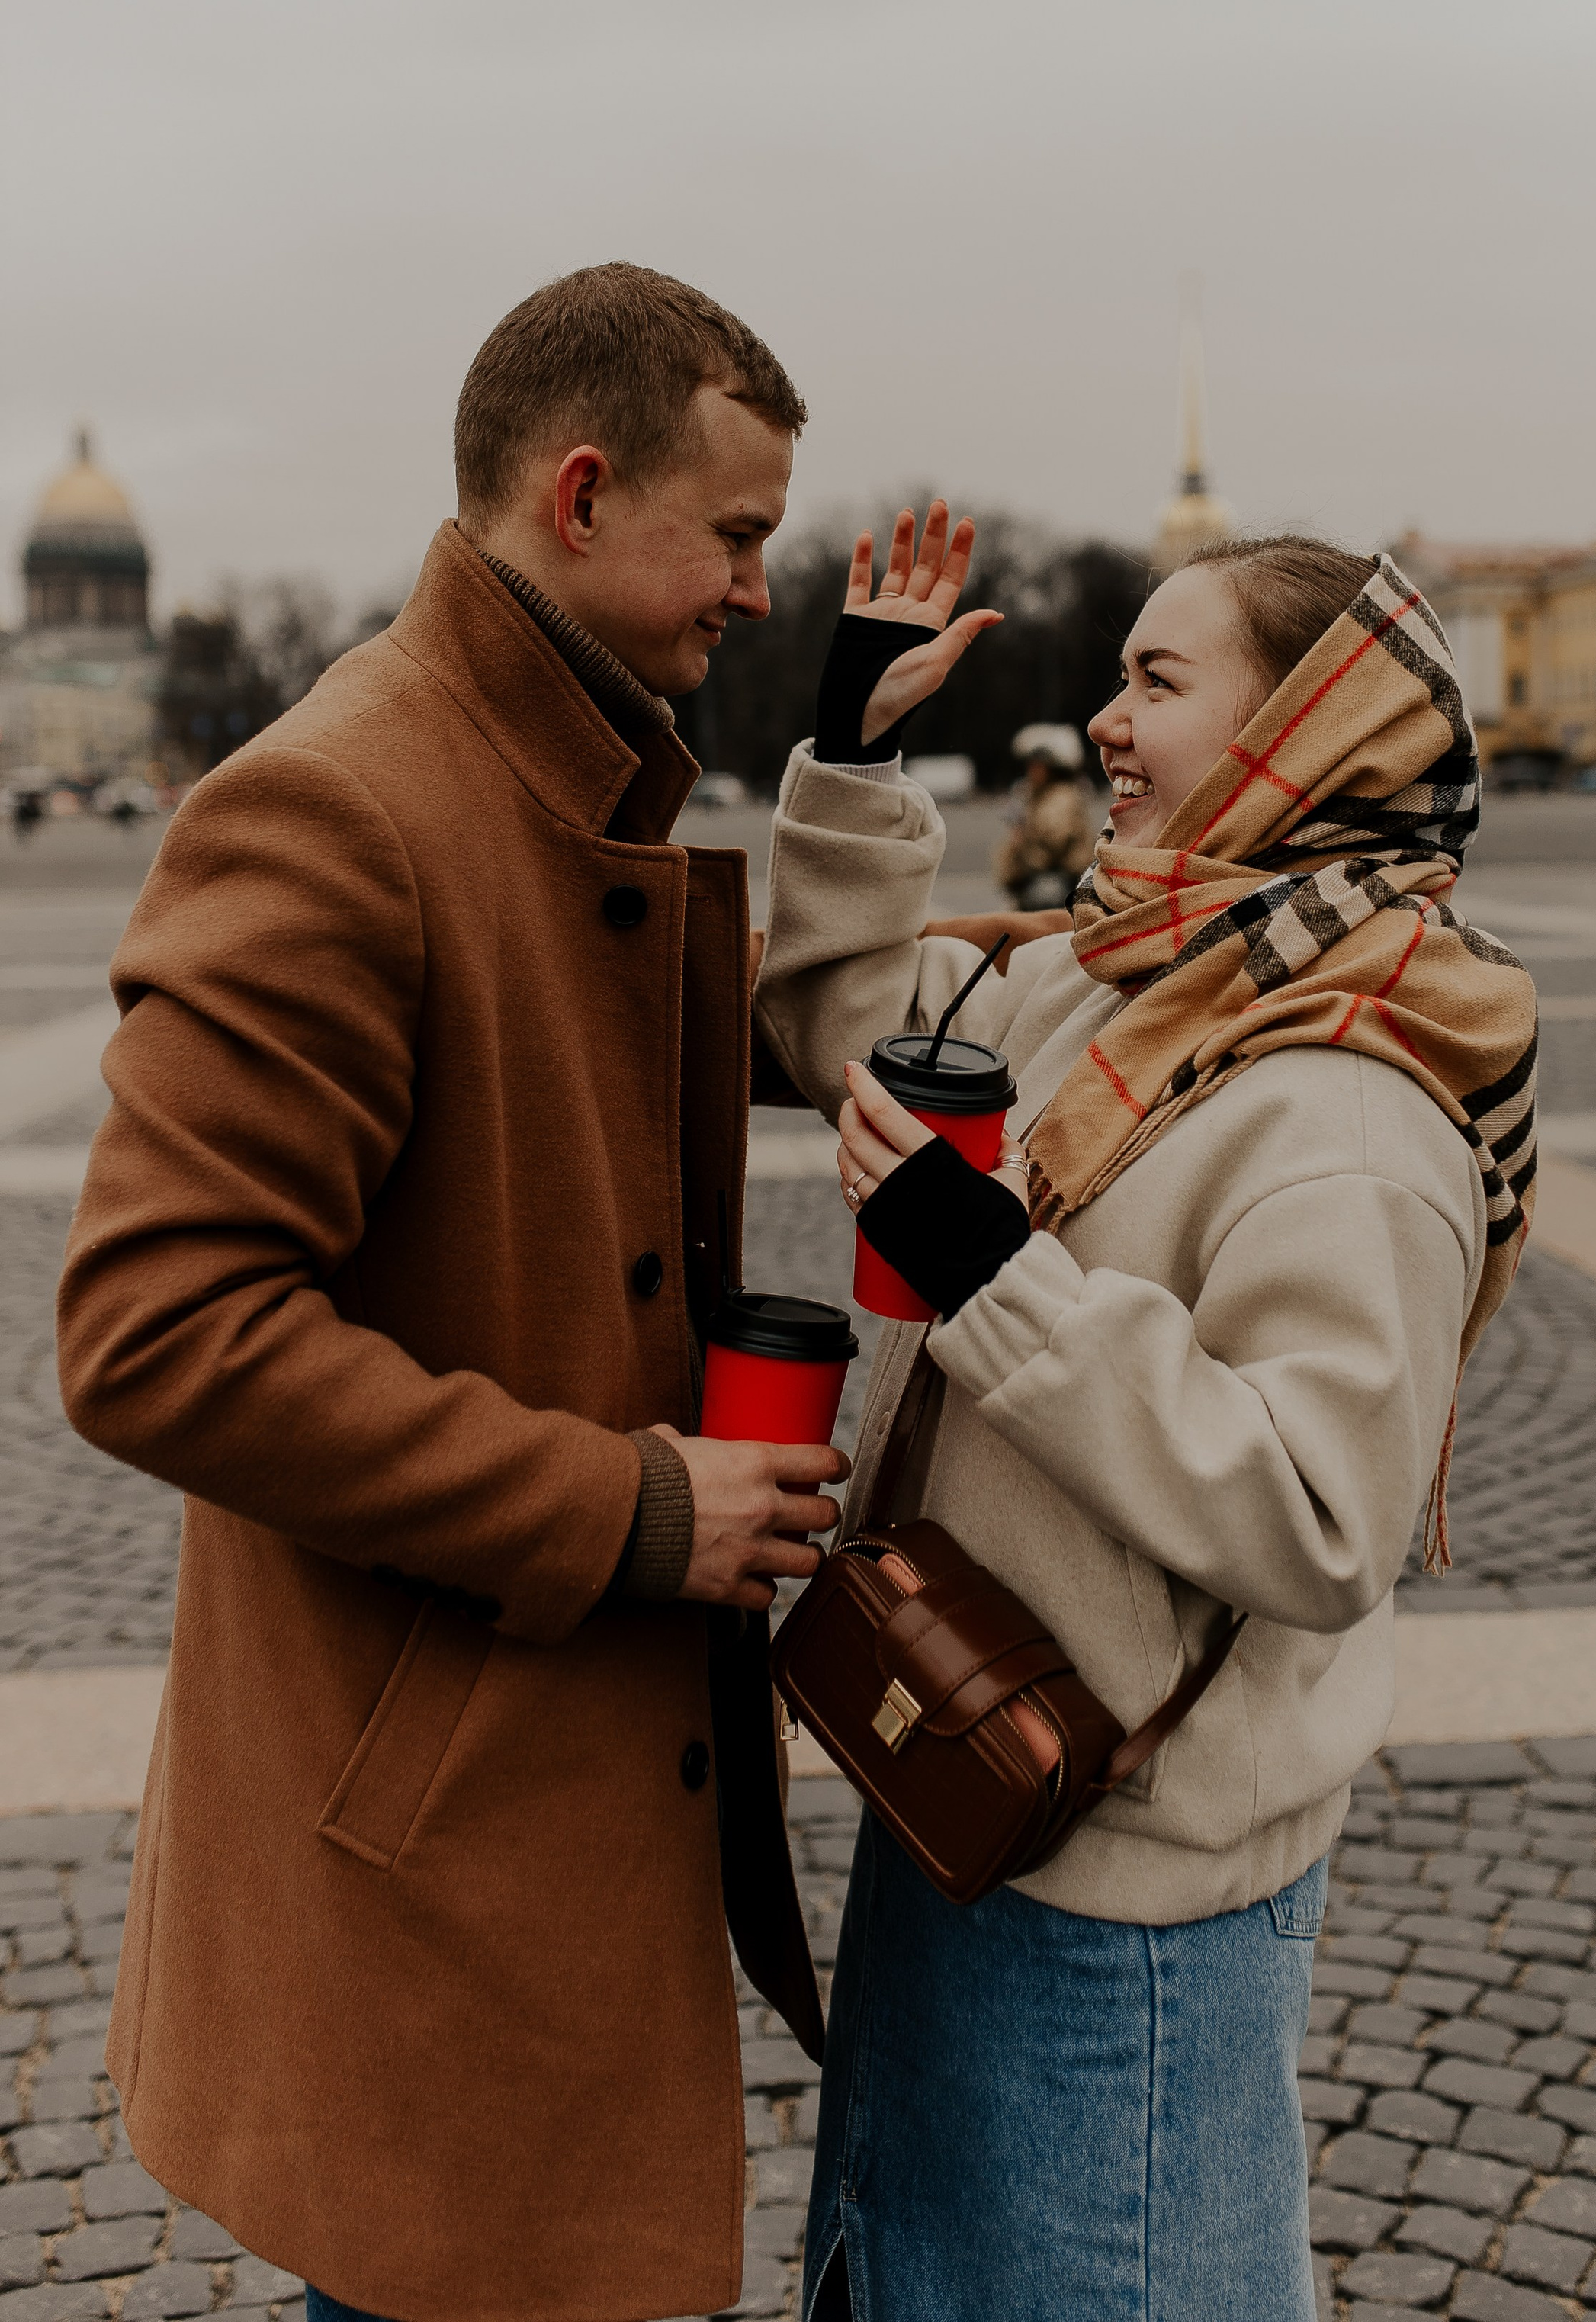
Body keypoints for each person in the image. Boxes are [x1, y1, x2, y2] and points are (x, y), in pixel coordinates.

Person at [58, 263, 851, 2322]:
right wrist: (632, 1505)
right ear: (580, 496)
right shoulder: (345, 799)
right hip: (444, 1835)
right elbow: (155, 1335)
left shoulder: (547, 771)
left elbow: (681, 1047)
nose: (758, 585)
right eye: (734, 531)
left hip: (511, 1802)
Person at [756, 514, 1539, 2322]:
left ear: (1297, 734)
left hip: (1132, 1896)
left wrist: (992, 1274)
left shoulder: (1350, 1095)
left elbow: (1322, 1513)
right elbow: (853, 1026)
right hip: (964, 1772)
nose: (1106, 719)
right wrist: (855, 755)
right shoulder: (1126, 973)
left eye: (1156, 679)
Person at [992, 720, 1097, 908]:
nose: (1031, 771)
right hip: (1041, 881)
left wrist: (1024, 842)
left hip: (1056, 881)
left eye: (1037, 765)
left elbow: (1054, 842)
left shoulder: (1060, 798)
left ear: (1051, 769)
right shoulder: (1040, 796)